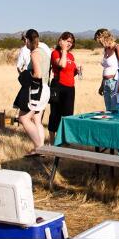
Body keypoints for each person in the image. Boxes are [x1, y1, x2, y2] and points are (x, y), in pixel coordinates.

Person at [13, 29, 51, 157]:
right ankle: (39, 149)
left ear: (28, 40)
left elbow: (37, 74)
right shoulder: (44, 51)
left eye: (26, 41)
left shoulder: (34, 53)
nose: (25, 44)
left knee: (23, 118)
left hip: (37, 89)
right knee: (36, 119)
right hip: (45, 88)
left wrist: (26, 76)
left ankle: (39, 147)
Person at [47, 32, 81, 145]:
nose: (69, 44)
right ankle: (52, 141)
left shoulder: (71, 56)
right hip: (58, 86)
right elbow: (61, 65)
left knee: (67, 115)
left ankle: (64, 140)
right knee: (55, 114)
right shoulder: (55, 53)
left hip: (70, 88)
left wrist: (78, 71)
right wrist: (64, 50)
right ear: (61, 40)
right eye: (67, 41)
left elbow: (71, 72)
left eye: (71, 42)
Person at [94, 29, 119, 112]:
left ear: (105, 38)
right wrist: (102, 85)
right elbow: (106, 68)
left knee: (116, 110)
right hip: (106, 83)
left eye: (100, 41)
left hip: (115, 82)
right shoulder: (106, 49)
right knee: (108, 110)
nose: (100, 44)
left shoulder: (118, 47)